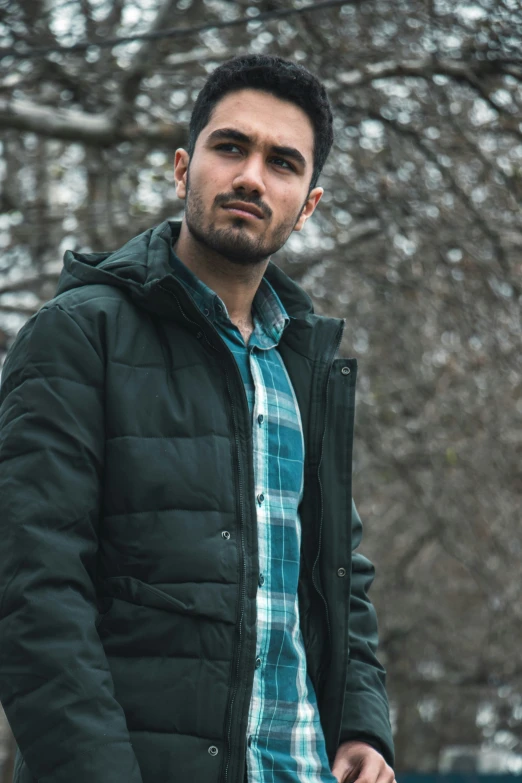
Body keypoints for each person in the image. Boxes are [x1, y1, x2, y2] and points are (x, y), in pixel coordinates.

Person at [0, 55, 394, 783]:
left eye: (282, 162)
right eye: (230, 146)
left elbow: (340, 575)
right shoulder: (79, 336)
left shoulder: (304, 366)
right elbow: (34, 594)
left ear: (307, 203)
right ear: (184, 169)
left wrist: (362, 724)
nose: (251, 176)